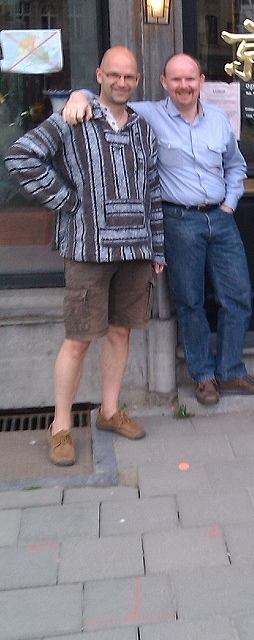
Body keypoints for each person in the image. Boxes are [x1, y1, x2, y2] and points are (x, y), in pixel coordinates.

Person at [62, 53, 254, 406]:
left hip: (221, 219)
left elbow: (235, 165)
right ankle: (204, 376)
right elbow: (109, 97)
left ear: (201, 81)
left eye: (190, 79)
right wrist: (78, 95)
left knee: (237, 297)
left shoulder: (219, 119)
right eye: (176, 79)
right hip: (179, 221)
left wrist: (230, 203)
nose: (184, 86)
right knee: (189, 302)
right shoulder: (148, 114)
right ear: (163, 82)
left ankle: (231, 369)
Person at [5, 46, 164, 466]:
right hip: (87, 249)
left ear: (138, 80)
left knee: (121, 332)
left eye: (128, 76)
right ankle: (60, 426)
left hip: (135, 250)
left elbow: (152, 190)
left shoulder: (143, 129)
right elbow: (20, 157)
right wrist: (68, 201)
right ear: (99, 75)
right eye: (113, 75)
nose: (121, 82)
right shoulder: (74, 117)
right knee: (77, 340)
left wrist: (158, 246)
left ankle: (110, 411)